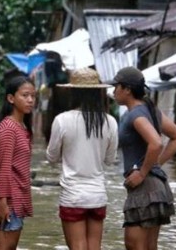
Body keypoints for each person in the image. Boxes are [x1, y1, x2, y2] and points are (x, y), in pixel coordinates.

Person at [106, 66, 176, 250]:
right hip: (157, 185)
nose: (114, 91)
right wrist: (155, 164)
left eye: (116, 86)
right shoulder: (151, 110)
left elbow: (156, 143)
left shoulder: (135, 114)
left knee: (134, 245)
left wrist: (142, 172)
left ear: (127, 89)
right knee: (149, 246)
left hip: (145, 187)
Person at [46, 68, 119, 250]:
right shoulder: (110, 121)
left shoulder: (62, 120)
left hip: (73, 195)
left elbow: (52, 157)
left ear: (73, 92)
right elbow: (110, 160)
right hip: (98, 195)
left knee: (78, 246)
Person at [0, 76, 35, 250]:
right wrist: (2, 202)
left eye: (32, 96)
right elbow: (4, 167)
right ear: (11, 98)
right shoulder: (9, 128)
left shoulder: (21, 127)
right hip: (8, 199)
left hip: (16, 197)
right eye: (25, 95)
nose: (30, 100)